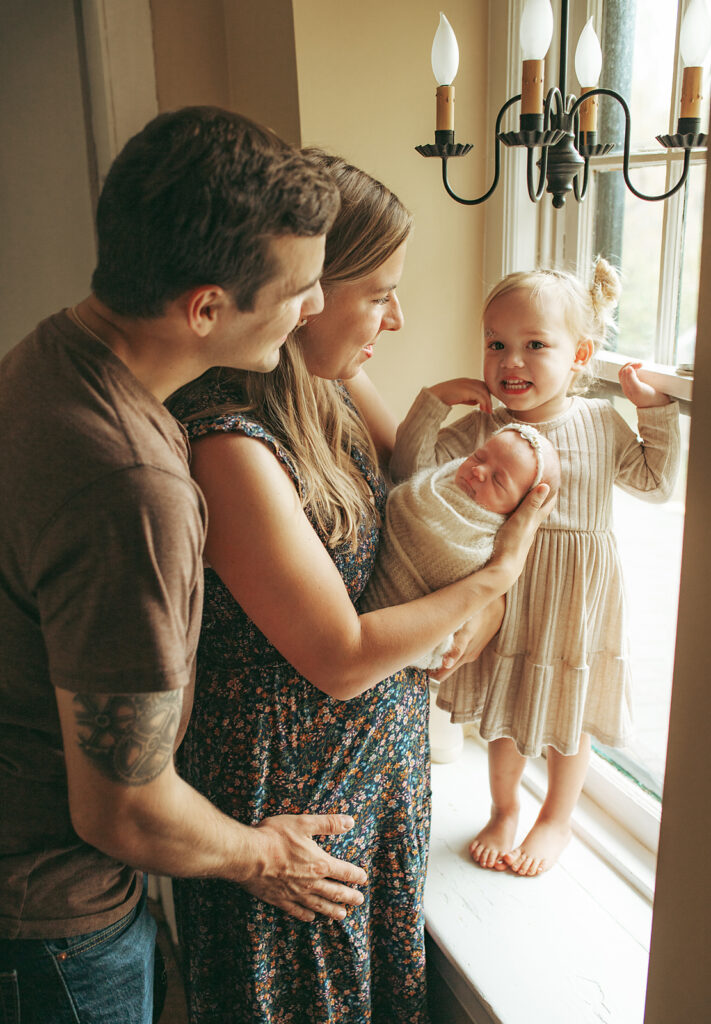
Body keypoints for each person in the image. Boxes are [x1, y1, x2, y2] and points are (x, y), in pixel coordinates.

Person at [0, 107, 377, 1024]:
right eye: (298, 290)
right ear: (206, 307)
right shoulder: (128, 484)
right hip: (52, 927)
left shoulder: (52, 352)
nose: (315, 308)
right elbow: (121, 812)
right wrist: (266, 855)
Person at [167, 151, 553, 1023]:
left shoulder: (337, 388)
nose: (397, 314)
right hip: (292, 825)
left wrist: (478, 601)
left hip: (379, 789)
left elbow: (435, 518)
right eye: (377, 292)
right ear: (305, 288)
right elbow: (340, 660)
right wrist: (496, 577)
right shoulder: (228, 441)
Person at [390, 258, 681, 877]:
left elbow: (655, 483)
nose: (510, 362)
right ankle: (503, 808)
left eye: (534, 346)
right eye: (496, 344)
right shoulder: (488, 429)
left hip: (576, 594)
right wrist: (431, 404)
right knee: (506, 701)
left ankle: (556, 817)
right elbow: (409, 471)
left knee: (566, 712)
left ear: (580, 355)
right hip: (506, 593)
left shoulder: (600, 423)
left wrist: (654, 412)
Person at [362, 424, 560, 670]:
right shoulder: (442, 479)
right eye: (478, 456)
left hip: (396, 636)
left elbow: (461, 574)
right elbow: (403, 489)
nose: (478, 471)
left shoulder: (487, 539)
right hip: (359, 629)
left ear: (517, 509)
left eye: (498, 480)